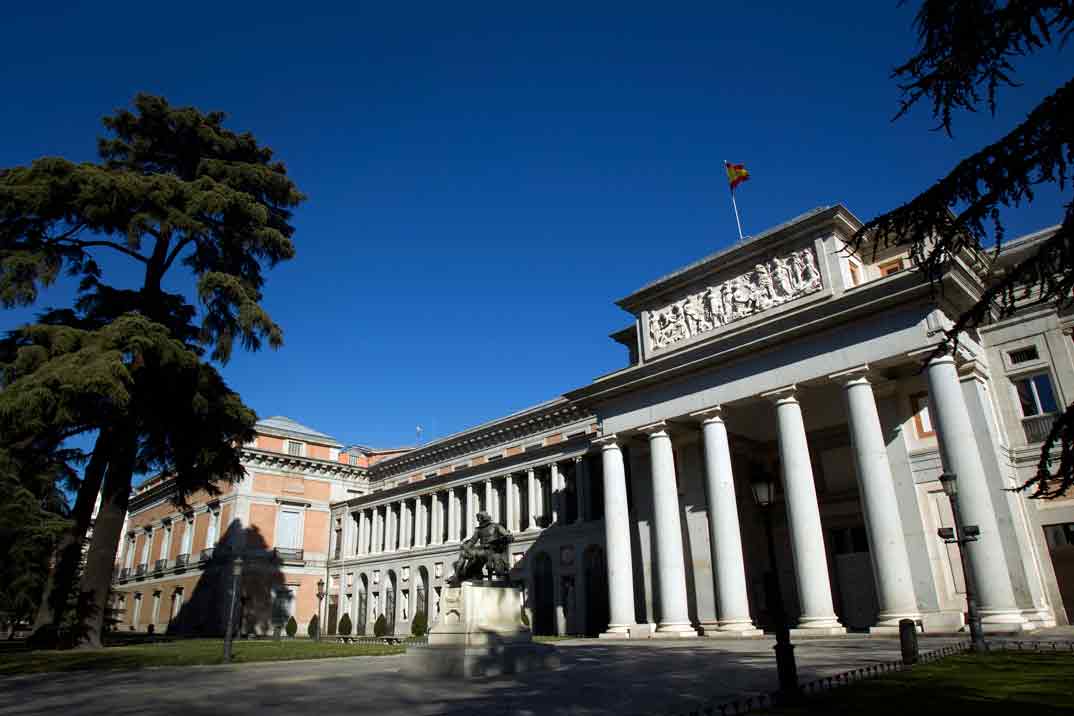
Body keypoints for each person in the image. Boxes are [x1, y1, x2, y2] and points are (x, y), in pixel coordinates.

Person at [447, 511, 512, 585]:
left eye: (479, 519)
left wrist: (506, 538)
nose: (478, 521)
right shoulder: (478, 529)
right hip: (482, 550)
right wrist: (466, 547)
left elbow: (508, 535)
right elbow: (472, 541)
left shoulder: (496, 526)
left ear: (483, 518)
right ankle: (456, 576)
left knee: (483, 554)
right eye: (478, 519)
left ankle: (500, 575)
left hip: (493, 550)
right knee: (463, 553)